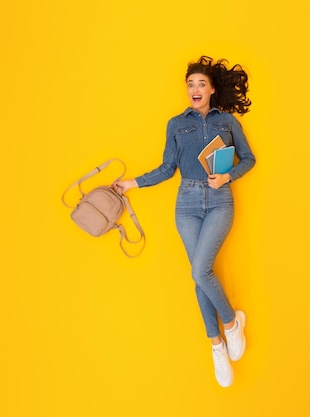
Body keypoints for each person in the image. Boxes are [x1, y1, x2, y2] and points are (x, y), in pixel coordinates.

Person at [112, 56, 256, 387]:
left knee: (199, 270)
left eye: (201, 84)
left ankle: (232, 324)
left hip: (219, 200)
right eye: (190, 84)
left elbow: (249, 158)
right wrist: (131, 183)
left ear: (212, 89)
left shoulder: (228, 123)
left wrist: (227, 177)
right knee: (199, 275)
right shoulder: (176, 124)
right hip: (187, 202)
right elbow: (167, 168)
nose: (195, 89)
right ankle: (217, 344)